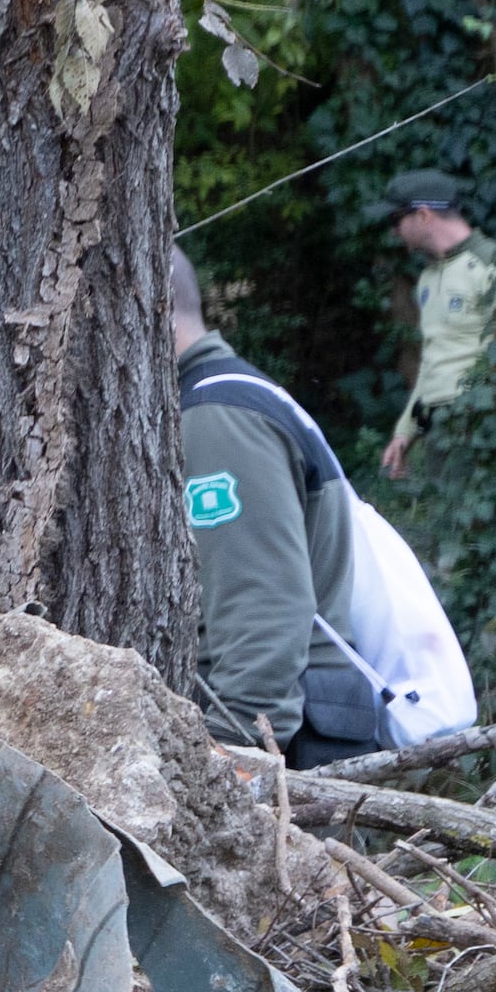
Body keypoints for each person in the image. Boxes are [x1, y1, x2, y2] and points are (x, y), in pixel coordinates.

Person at [171, 246, 388, 765]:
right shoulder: (230, 396)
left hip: (287, 747)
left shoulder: (215, 416)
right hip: (303, 727)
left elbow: (262, 604)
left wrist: (233, 753)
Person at [379, 169, 496, 478]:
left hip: (481, 424)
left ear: (423, 216)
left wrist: (477, 409)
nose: (393, 231)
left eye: (396, 220)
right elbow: (433, 359)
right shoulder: (428, 277)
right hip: (437, 427)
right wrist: (405, 431)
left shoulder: (489, 263)